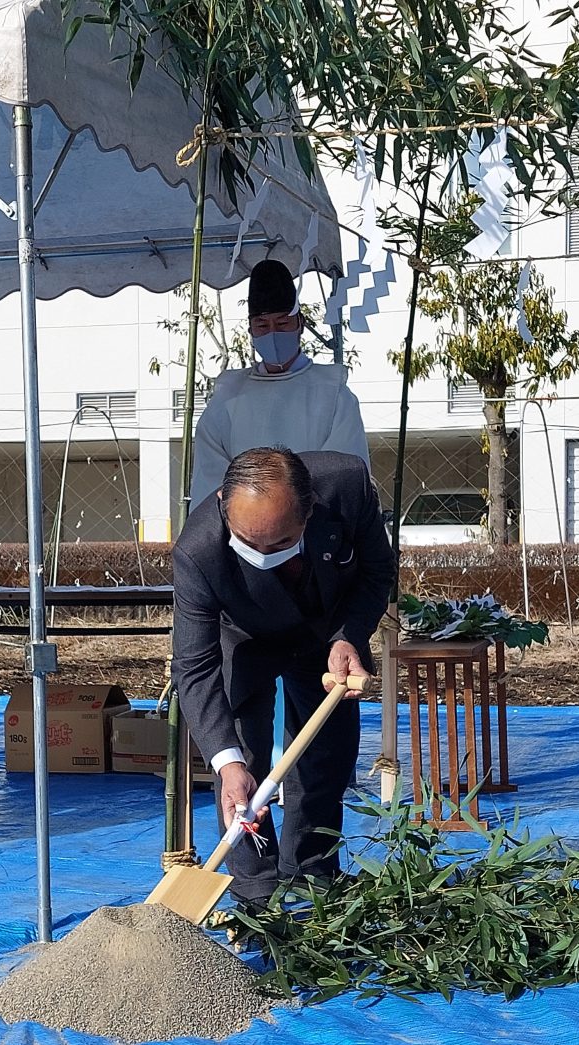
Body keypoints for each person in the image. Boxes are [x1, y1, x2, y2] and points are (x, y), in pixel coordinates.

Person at [171, 446, 395, 906]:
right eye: (247, 542)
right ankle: (256, 898)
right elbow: (194, 666)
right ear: (223, 509)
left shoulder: (347, 485)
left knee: (324, 755)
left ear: (308, 511)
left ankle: (313, 878)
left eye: (276, 545)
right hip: (245, 632)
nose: (261, 554)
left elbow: (377, 571)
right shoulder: (198, 551)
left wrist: (348, 636)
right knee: (241, 758)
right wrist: (226, 762)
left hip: (326, 633)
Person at [189, 259, 370, 508]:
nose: (272, 333)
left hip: (314, 525)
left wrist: (292, 510)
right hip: (244, 532)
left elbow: (344, 472)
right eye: (262, 325)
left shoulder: (333, 395)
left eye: (282, 323)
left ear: (300, 324)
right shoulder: (227, 397)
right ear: (251, 331)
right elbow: (209, 473)